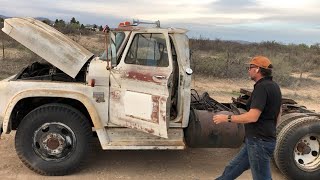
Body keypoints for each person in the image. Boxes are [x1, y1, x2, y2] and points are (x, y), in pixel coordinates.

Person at [213, 56, 282, 180]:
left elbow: (253, 117)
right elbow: (278, 112)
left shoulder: (262, 87)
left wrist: (227, 118)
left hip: (259, 142)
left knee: (262, 177)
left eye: (250, 67)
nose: (248, 70)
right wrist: (270, 130)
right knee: (232, 168)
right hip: (258, 140)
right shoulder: (274, 86)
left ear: (257, 70)